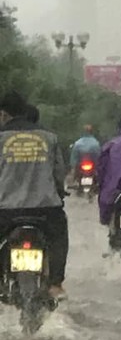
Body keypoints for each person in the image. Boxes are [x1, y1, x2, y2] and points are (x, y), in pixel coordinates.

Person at [0, 91, 69, 300]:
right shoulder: (49, 137)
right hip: (45, 209)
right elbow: (59, 174)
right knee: (59, 237)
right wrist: (59, 194)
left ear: (3, 114)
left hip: (6, 211)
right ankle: (56, 284)